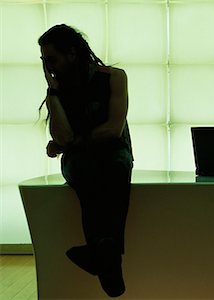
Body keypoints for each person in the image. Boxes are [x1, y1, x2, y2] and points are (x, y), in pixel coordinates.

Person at [38, 24, 133, 297]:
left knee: (114, 167)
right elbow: (63, 136)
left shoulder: (113, 77)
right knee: (88, 171)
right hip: (82, 158)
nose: (48, 67)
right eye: (44, 61)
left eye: (51, 59)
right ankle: (110, 258)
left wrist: (70, 143)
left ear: (72, 53)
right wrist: (53, 94)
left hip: (114, 151)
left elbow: (113, 129)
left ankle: (100, 253)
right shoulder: (58, 89)